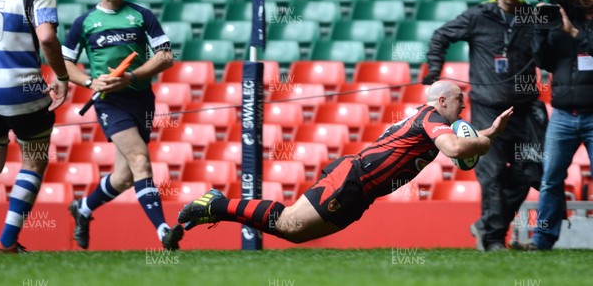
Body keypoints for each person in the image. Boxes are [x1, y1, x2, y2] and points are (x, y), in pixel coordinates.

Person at [177, 81, 513, 243]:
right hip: (353, 178)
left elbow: (460, 143)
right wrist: (485, 141)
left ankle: (218, 207)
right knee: (291, 223)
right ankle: (217, 205)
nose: (463, 109)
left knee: (293, 233)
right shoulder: (431, 117)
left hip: (361, 189)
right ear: (441, 101)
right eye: (459, 102)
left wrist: (491, 132)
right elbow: (456, 149)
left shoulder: (431, 122)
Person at [423, 0, 547, 251]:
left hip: (524, 110)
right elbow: (441, 35)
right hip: (486, 110)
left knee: (531, 172)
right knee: (490, 175)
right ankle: (492, 241)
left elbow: (553, 49)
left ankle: (486, 226)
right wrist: (434, 69)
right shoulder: (479, 16)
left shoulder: (532, 17)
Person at [61, 0, 183, 250]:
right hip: (110, 102)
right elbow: (65, 63)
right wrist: (91, 83)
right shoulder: (85, 22)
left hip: (141, 98)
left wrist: (132, 76)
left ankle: (83, 209)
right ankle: (164, 231)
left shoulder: (141, 16)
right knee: (140, 161)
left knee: (124, 176)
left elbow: (165, 56)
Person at [0, 0, 69, 253]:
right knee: (33, 162)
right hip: (23, 90)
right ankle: (7, 243)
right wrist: (62, 76)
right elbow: (48, 38)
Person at [511, 0, 593, 251]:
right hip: (562, 116)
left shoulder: (576, 26)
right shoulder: (562, 19)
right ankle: (541, 241)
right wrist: (540, 28)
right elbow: (544, 62)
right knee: (550, 180)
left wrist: (575, 33)